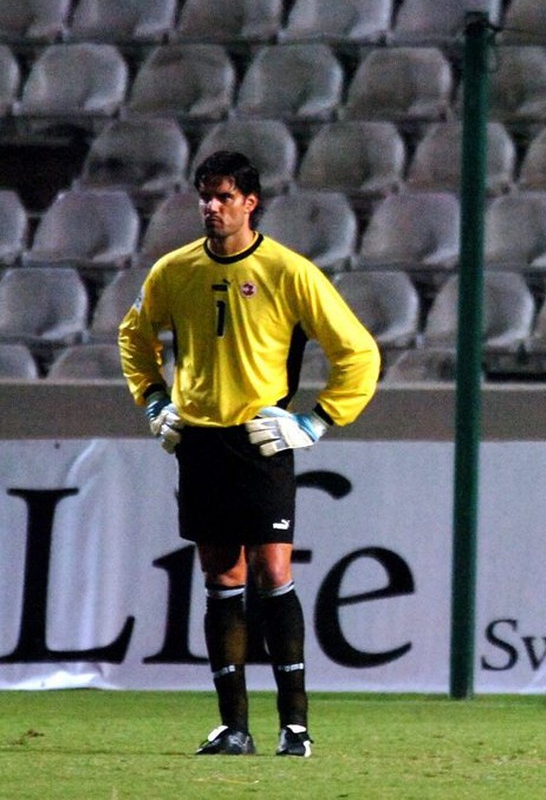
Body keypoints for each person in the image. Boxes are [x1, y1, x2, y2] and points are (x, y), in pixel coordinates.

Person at [118, 151, 380, 757]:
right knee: (221, 576)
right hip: (201, 440)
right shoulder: (172, 271)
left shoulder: (289, 272)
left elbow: (358, 353)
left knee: (272, 573)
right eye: (205, 196)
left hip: (261, 438)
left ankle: (296, 727)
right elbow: (134, 336)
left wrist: (316, 421)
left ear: (250, 203)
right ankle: (234, 727)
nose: (212, 206)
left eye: (225, 196)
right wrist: (155, 400)